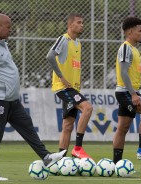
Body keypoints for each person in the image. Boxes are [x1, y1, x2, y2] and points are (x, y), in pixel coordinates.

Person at [0, 13, 66, 181]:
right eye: (8, 27)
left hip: (10, 99)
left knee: (27, 126)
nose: (10, 30)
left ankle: (46, 157)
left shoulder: (2, 44)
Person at [46, 13, 93, 158]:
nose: (82, 25)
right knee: (87, 108)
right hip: (64, 87)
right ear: (70, 25)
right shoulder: (63, 39)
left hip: (73, 88)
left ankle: (60, 159)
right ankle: (78, 147)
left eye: (82, 22)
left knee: (68, 124)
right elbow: (49, 56)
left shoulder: (78, 43)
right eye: (79, 22)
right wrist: (62, 77)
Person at [112, 17, 141, 164]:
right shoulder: (125, 48)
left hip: (129, 91)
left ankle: (116, 163)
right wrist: (133, 93)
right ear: (130, 32)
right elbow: (123, 72)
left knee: (123, 128)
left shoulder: (134, 49)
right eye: (140, 30)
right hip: (126, 92)